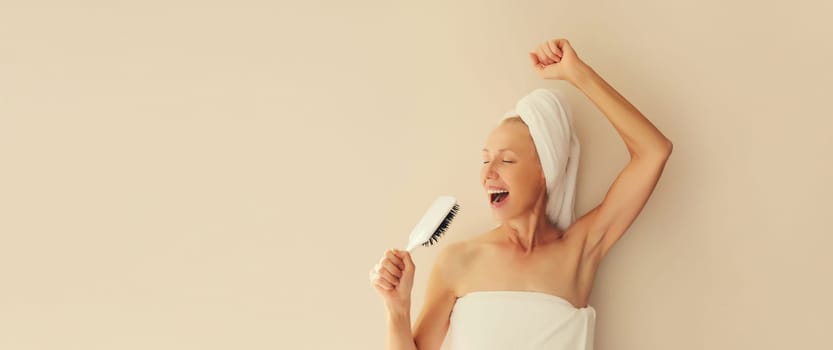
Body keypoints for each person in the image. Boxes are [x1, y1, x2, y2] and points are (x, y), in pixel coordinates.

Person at [368, 37, 673, 350]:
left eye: (507, 160)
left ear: (546, 170)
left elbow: (654, 151)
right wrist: (397, 309)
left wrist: (577, 74)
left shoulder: (578, 251)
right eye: (486, 159)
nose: (488, 173)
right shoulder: (459, 261)